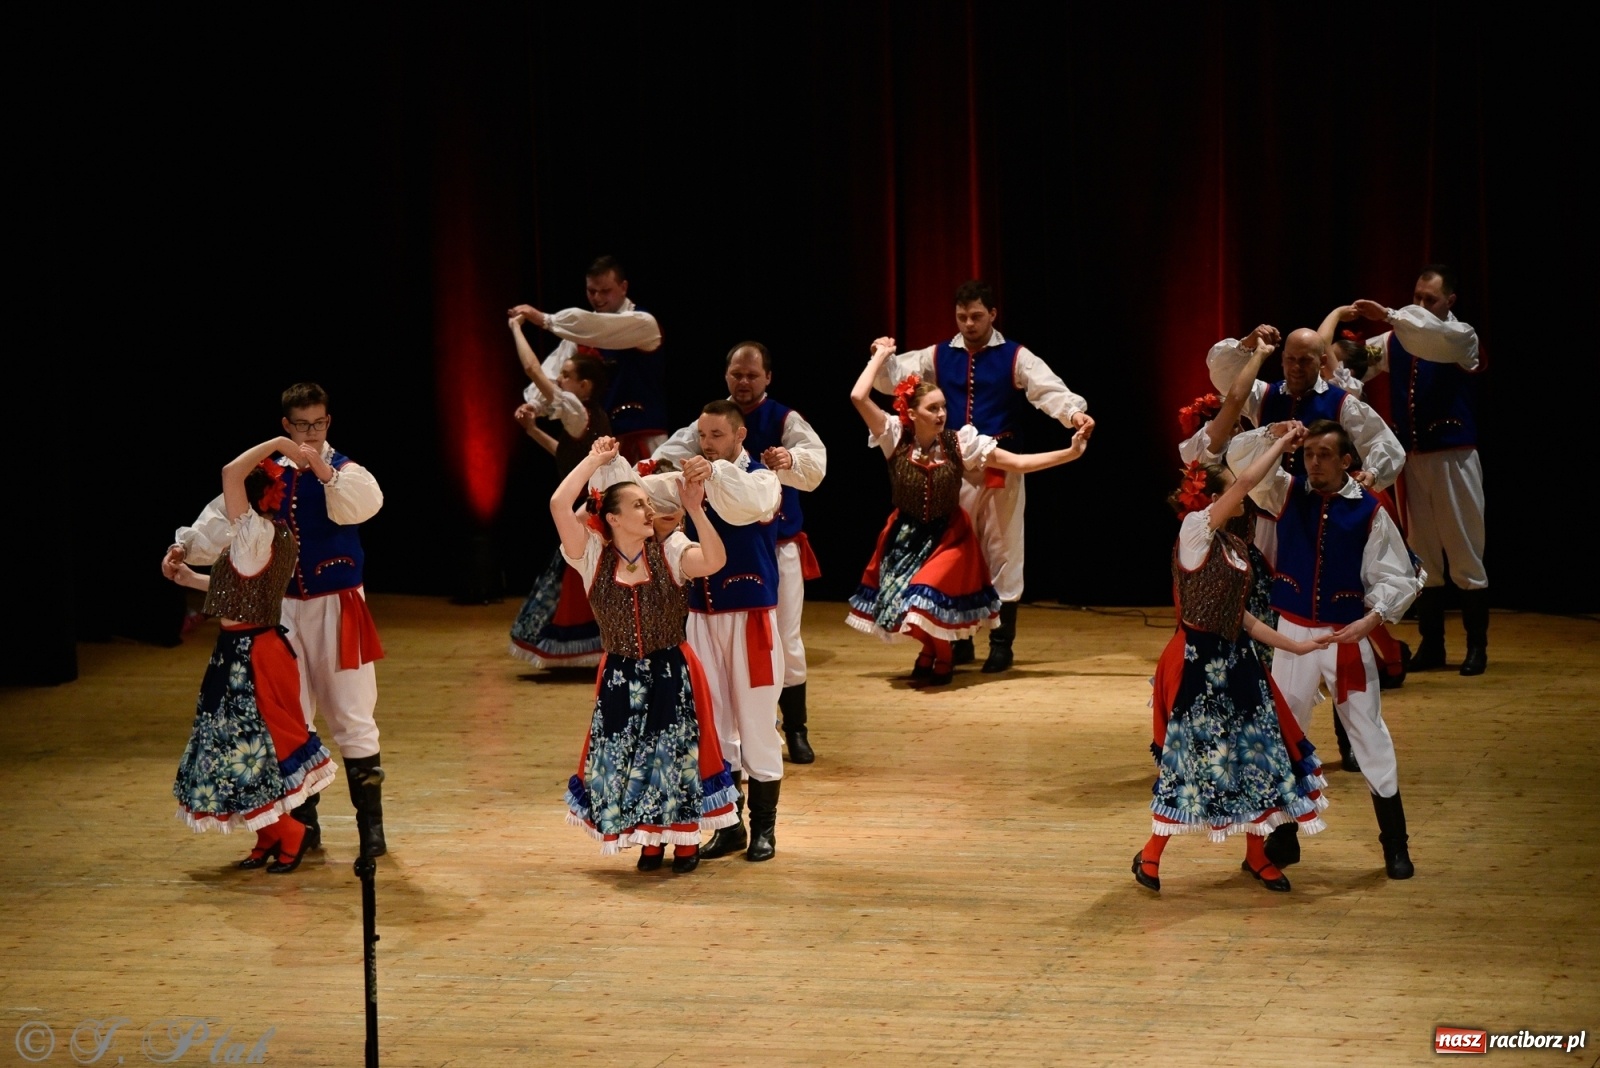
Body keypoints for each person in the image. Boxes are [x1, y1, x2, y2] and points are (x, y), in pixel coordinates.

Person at [166, 383, 388, 858]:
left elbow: (364, 505)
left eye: (320, 423)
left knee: (351, 712)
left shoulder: (345, 472)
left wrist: (324, 470)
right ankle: (304, 826)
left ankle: (372, 828)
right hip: (281, 610)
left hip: (337, 603)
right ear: (286, 427)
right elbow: (225, 518)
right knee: (290, 716)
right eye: (303, 424)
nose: (312, 432)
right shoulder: (266, 476)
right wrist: (186, 547)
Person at [1137, 424, 1331, 894]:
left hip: (1239, 665)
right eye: (1231, 486)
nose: (1242, 491)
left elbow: (1243, 619)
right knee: (1192, 766)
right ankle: (1149, 854)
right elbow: (1245, 482)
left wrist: (1297, 646)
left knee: (1257, 760)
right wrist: (1281, 445)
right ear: (1212, 499)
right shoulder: (1195, 532)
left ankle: (1257, 856)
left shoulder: (1233, 546)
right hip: (1199, 669)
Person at [873, 280, 1093, 673]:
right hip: (953, 468)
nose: (969, 324)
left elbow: (1048, 390)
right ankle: (960, 637)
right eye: (962, 317)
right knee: (957, 549)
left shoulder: (1014, 356)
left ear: (993, 314)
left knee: (1003, 550)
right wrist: (881, 356)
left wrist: (1073, 414)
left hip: (999, 465)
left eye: (976, 316)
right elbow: (890, 379)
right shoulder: (938, 355)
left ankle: (1001, 641)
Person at [1242, 419, 1426, 879]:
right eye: (1309, 454)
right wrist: (1276, 436)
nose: (1315, 462)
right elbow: (1241, 462)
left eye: (1325, 455)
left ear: (1347, 461)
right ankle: (1283, 835)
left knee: (1369, 734)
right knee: (1286, 732)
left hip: (1345, 636)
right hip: (1293, 634)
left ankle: (1395, 844)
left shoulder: (1368, 510)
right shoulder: (1284, 492)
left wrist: (1369, 621)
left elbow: (1397, 577)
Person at [552, 437, 739, 874]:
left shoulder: (670, 550)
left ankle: (684, 841)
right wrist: (595, 460)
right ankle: (648, 842)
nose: (648, 509)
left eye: (647, 503)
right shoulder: (592, 556)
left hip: (670, 667)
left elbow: (713, 560)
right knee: (629, 757)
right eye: (637, 504)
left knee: (672, 755)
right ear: (613, 517)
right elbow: (560, 504)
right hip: (619, 671)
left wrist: (695, 511)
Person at [164, 435, 336, 874]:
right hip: (243, 648)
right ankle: (268, 835)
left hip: (253, 654)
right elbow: (242, 593)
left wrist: (281, 441)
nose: (227, 499)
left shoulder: (255, 533)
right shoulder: (265, 536)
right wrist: (189, 578)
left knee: (258, 747)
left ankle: (290, 832)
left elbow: (229, 471)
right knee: (242, 747)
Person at [651, 341, 827, 763]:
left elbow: (814, 467)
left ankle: (794, 727)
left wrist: (789, 459)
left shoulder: (784, 418)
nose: (743, 381)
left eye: (751, 374)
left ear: (768, 377)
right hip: (715, 553)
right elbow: (663, 459)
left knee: (783, 640)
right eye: (736, 374)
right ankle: (728, 754)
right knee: (712, 656)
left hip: (774, 548)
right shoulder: (709, 422)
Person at [1350, 266, 1488, 676]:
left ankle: (1476, 646)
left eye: (1430, 299)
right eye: (1418, 297)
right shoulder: (1396, 341)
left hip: (1453, 455)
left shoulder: (1461, 337)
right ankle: (1433, 645)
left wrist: (1391, 316)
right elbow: (1356, 360)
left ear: (1450, 302)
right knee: (1423, 551)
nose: (1422, 305)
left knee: (1463, 548)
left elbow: (1433, 338)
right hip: (1413, 457)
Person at [507, 314, 611, 669]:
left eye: (566, 376)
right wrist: (532, 430)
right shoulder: (584, 417)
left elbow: (533, 369)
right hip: (589, 505)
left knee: (578, 576)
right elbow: (565, 455)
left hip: (589, 509)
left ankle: (589, 647)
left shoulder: (576, 409)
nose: (559, 379)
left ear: (584, 386)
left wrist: (516, 328)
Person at [1205, 326, 1406, 492]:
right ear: (1282, 358)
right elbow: (1224, 378)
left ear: (1322, 362)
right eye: (1291, 359)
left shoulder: (1342, 402)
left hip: (1317, 514)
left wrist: (1372, 473)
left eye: (1305, 360)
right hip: (1268, 517)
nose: (1296, 367)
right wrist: (1248, 343)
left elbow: (1382, 441)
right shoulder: (1263, 395)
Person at [508, 255, 666, 462]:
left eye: (605, 291)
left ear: (623, 287)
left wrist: (545, 319)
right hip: (602, 440)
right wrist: (535, 405)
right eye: (592, 291)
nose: (598, 298)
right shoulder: (580, 336)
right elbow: (553, 373)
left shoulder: (644, 323)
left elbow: (601, 327)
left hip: (644, 436)